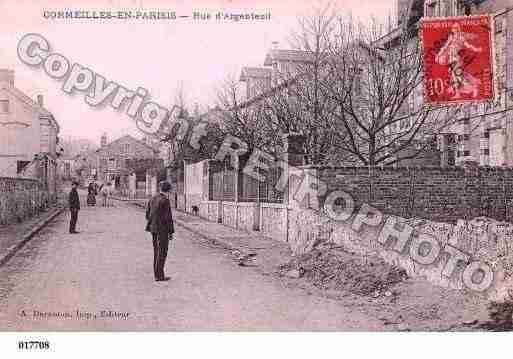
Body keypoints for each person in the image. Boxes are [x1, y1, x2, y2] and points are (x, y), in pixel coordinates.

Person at [145, 181, 174, 282]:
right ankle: (159, 276)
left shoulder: (152, 198)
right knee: (162, 252)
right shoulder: (165, 200)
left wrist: (153, 223)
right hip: (163, 230)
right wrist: (171, 232)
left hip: (153, 229)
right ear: (168, 190)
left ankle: (157, 274)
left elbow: (147, 214)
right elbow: (168, 218)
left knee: (156, 251)